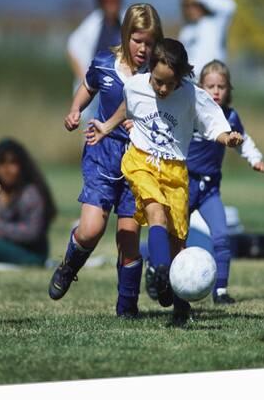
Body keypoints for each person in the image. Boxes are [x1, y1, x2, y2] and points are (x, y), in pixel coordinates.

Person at [86, 39, 243, 322]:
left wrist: (227, 138)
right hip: (142, 161)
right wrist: (106, 127)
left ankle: (181, 304)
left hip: (175, 170)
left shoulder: (192, 96)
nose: (162, 89)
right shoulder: (136, 85)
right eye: (158, 82)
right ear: (149, 71)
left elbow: (213, 125)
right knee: (154, 210)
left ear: (181, 77)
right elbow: (127, 105)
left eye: (169, 84)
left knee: (178, 240)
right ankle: (160, 272)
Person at [48, 3, 164, 318]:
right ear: (126, 35)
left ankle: (127, 308)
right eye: (138, 40)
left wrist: (144, 125)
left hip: (138, 162)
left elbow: (164, 113)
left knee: (128, 239)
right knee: (90, 229)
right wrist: (75, 110)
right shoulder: (103, 63)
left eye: (150, 42)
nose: (144, 48)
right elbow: (88, 87)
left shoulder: (157, 74)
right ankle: (68, 266)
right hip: (102, 151)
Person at [185, 60, 264, 304]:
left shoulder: (231, 116)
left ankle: (220, 290)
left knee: (221, 236)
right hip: (184, 185)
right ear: (201, 88)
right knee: (176, 237)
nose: (216, 91)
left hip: (210, 189)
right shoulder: (192, 112)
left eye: (221, 86)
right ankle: (169, 283)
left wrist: (255, 158)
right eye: (210, 86)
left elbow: (243, 140)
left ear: (229, 89)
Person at [0, 138, 57, 266]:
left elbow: (31, 233)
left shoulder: (30, 194)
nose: (7, 169)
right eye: (2, 163)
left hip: (32, 254)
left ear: (22, 165)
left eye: (12, 163)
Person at [66, 0, 125, 127]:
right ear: (100, 1)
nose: (111, 5)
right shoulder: (92, 23)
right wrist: (85, 79)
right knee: (92, 133)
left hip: (122, 90)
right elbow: (72, 47)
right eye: (107, 0)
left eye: (115, 0)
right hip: (97, 91)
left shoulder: (127, 21)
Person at [178, 0, 236, 77]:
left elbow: (230, 6)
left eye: (195, 4)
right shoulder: (186, 31)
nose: (191, 9)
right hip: (191, 82)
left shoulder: (215, 22)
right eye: (187, 5)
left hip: (212, 79)